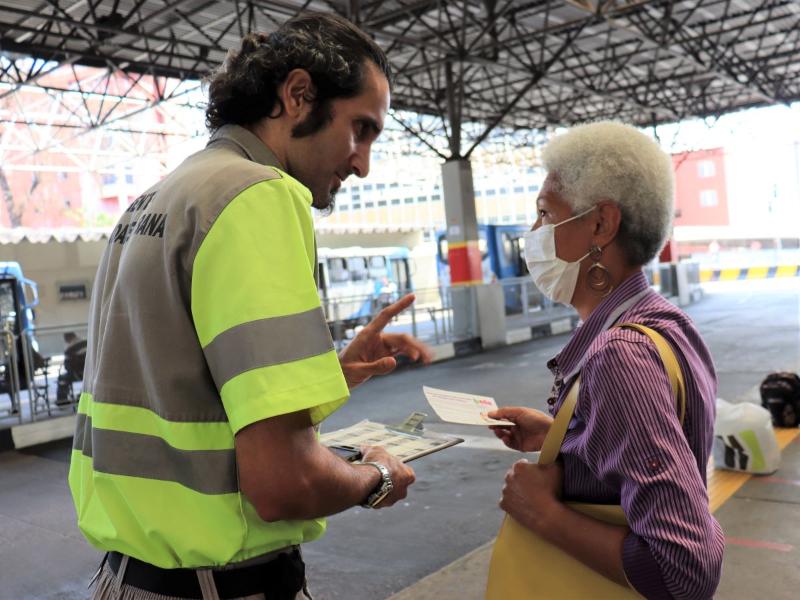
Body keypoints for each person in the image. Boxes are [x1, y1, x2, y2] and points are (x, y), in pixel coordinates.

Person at [69, 12, 432, 600]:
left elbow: (184, 397)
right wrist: (379, 476)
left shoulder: (154, 201)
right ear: (297, 96)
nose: (363, 162)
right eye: (360, 129)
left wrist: (324, 375)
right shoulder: (258, 197)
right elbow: (283, 485)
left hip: (127, 579)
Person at [488, 121, 724, 599]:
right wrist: (569, 436)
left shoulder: (621, 356)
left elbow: (684, 569)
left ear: (600, 224)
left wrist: (543, 515)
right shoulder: (665, 322)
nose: (533, 234)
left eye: (544, 214)